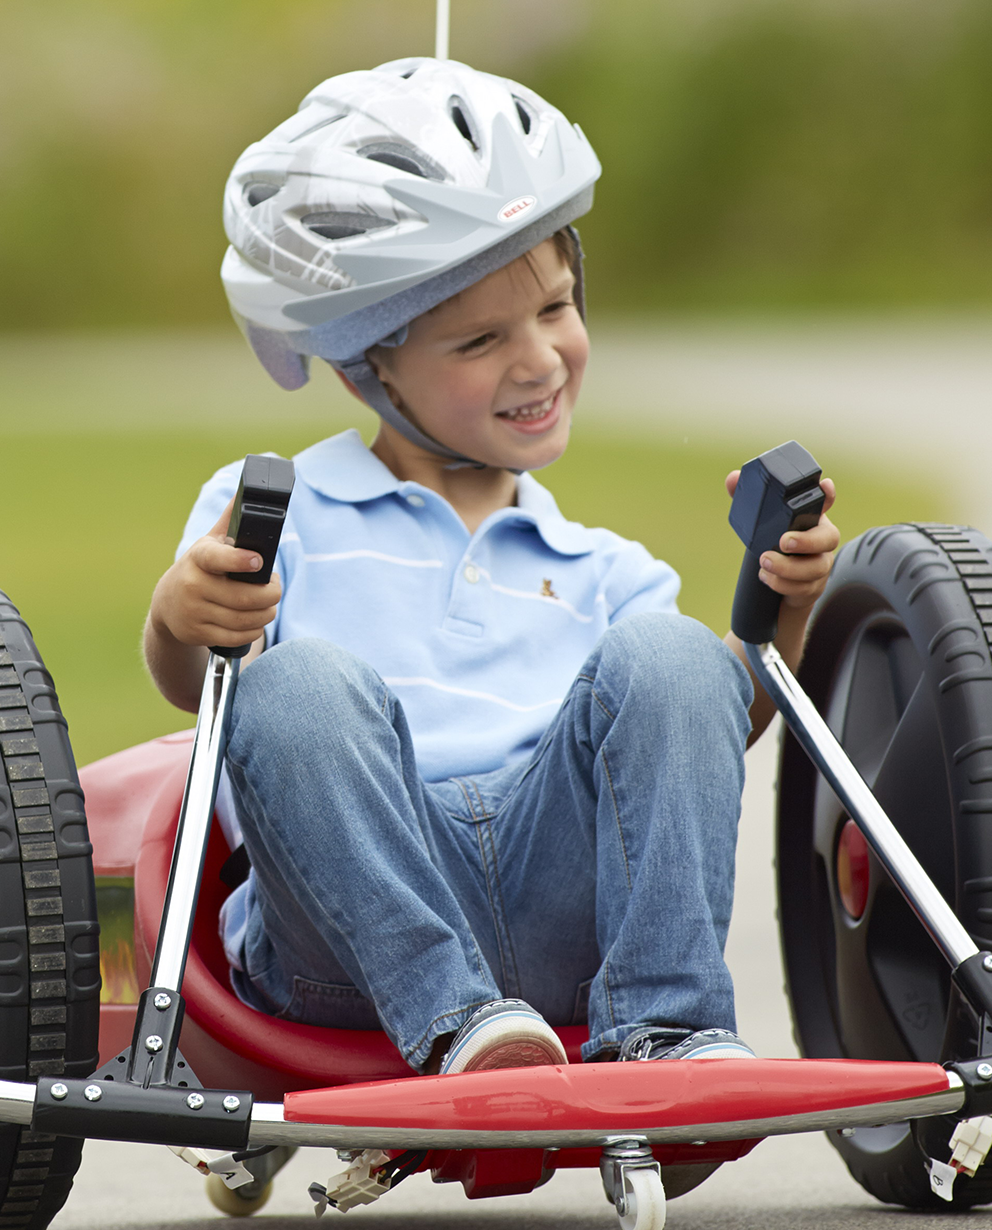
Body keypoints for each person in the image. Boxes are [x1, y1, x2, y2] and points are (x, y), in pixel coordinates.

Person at [143, 58, 839, 1081]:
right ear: (363, 366)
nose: (540, 359)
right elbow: (196, 684)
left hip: (564, 911)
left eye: (555, 308)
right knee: (288, 683)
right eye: (479, 339)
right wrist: (180, 614)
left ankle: (669, 1029)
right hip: (346, 934)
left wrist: (784, 609)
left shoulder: (605, 568)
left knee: (673, 652)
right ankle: (452, 1021)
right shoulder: (284, 512)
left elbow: (707, 734)